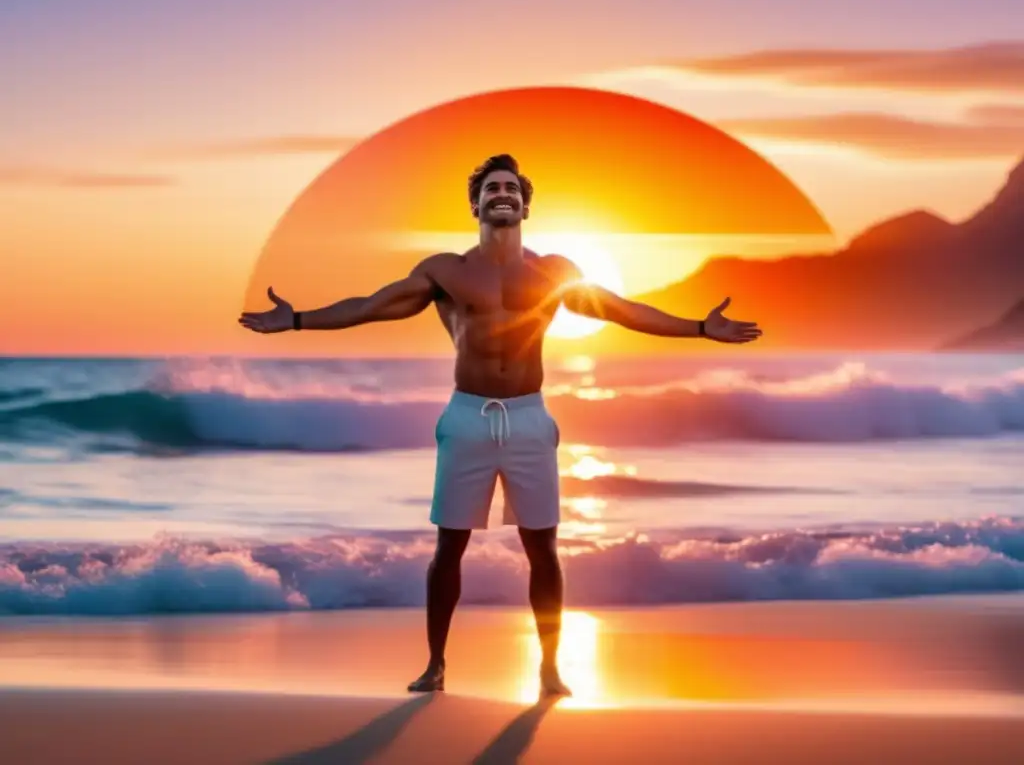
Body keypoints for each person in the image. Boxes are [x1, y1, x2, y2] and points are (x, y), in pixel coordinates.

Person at [238, 154, 762, 697]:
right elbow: (371, 306)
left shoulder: (553, 272)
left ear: (526, 205)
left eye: (511, 188)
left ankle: (551, 668)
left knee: (544, 547)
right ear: (476, 203)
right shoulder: (447, 271)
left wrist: (701, 328)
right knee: (450, 546)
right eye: (492, 188)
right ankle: (435, 665)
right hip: (466, 417)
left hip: (530, 418)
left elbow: (621, 310)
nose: (503, 194)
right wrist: (297, 319)